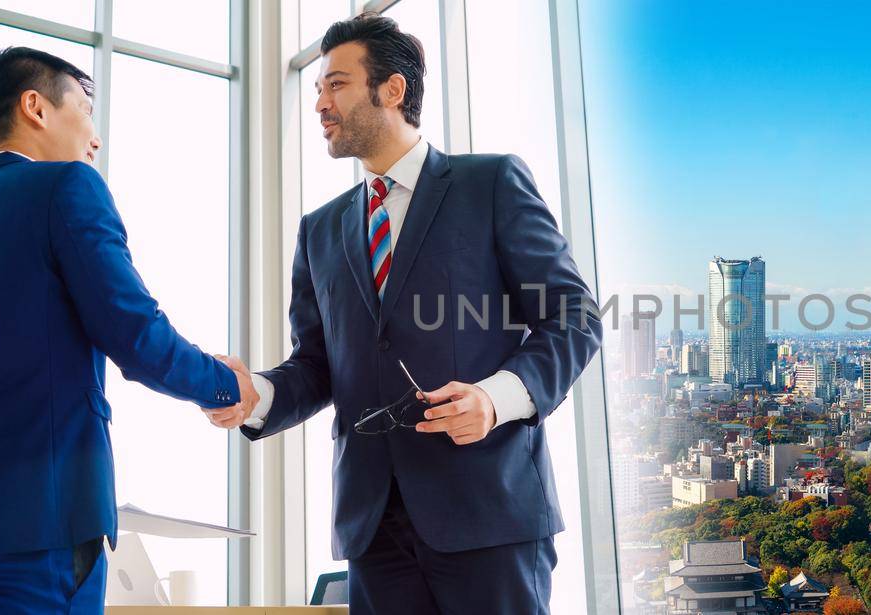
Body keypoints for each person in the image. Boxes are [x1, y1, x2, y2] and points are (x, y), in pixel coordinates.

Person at [214, 13, 601, 615]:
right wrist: (256, 394)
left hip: (487, 511)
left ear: (392, 90)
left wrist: (495, 400)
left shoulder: (490, 183)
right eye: (317, 87)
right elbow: (318, 364)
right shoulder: (320, 230)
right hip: (374, 527)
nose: (319, 102)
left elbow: (573, 317)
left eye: (335, 84)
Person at [0, 46, 258, 614]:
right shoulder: (65, 188)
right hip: (43, 545)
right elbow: (133, 331)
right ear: (36, 107)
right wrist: (226, 385)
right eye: (85, 108)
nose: (94, 139)